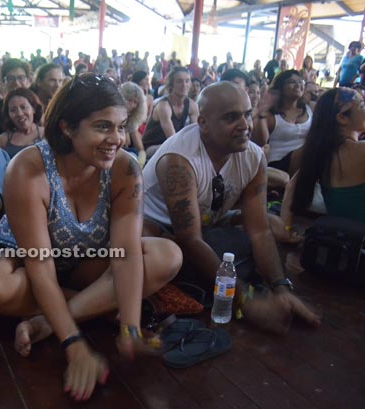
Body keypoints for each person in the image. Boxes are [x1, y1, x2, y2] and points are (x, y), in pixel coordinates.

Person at [0, 73, 182, 401]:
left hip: (86, 262)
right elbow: (40, 268)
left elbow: (127, 253)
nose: (117, 138)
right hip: (27, 259)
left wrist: (131, 329)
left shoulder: (125, 169)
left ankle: (47, 320)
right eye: (103, 126)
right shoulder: (27, 169)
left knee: (167, 255)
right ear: (66, 127)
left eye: (121, 126)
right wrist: (74, 344)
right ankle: (100, 306)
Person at [142, 81, 321, 334]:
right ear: (203, 123)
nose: (245, 125)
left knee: (265, 229)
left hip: (206, 227)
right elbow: (190, 239)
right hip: (162, 234)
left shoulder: (253, 156)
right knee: (181, 252)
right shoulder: (179, 160)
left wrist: (282, 288)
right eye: (231, 117)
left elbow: (258, 230)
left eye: (247, 114)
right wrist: (246, 300)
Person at [284, 88, 365, 224]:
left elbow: (291, 188)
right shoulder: (361, 151)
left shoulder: (318, 152)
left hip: (342, 236)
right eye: (362, 106)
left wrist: (285, 228)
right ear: (342, 117)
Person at [0, 88, 44, 212]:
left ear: (33, 108)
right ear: (9, 115)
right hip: (11, 185)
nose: (19, 113)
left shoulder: (46, 134)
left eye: (24, 107)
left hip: (38, 181)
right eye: (13, 110)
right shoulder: (5, 138)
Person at [252, 69, 312, 177]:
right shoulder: (271, 114)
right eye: (292, 82)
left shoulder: (310, 108)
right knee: (308, 149)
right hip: (278, 164)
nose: (298, 85)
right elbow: (260, 142)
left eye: (301, 82)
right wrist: (261, 114)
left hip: (305, 162)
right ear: (281, 87)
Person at [142, 67, 199, 156]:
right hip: (152, 147)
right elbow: (172, 139)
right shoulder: (164, 106)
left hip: (173, 145)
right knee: (173, 149)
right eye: (179, 81)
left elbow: (194, 135)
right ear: (171, 84)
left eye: (187, 81)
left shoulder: (192, 105)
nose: (184, 85)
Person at [0, 59, 31, 149]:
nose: (16, 83)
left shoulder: (38, 108)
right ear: (3, 82)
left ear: (28, 81)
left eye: (21, 78)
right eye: (10, 79)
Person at [119, 82, 148, 167]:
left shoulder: (131, 121)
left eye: (135, 102)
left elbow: (141, 149)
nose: (132, 105)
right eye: (129, 100)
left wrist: (140, 163)